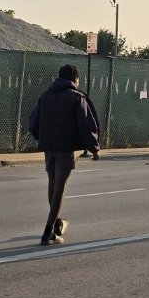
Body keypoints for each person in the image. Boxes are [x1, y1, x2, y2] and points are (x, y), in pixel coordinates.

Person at [28, 64, 100, 245]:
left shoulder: (46, 95)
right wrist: (94, 148)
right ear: (75, 79)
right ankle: (48, 232)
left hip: (48, 147)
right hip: (65, 148)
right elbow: (86, 125)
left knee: (52, 185)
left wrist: (42, 137)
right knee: (59, 188)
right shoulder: (76, 98)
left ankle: (56, 223)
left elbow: (33, 122)